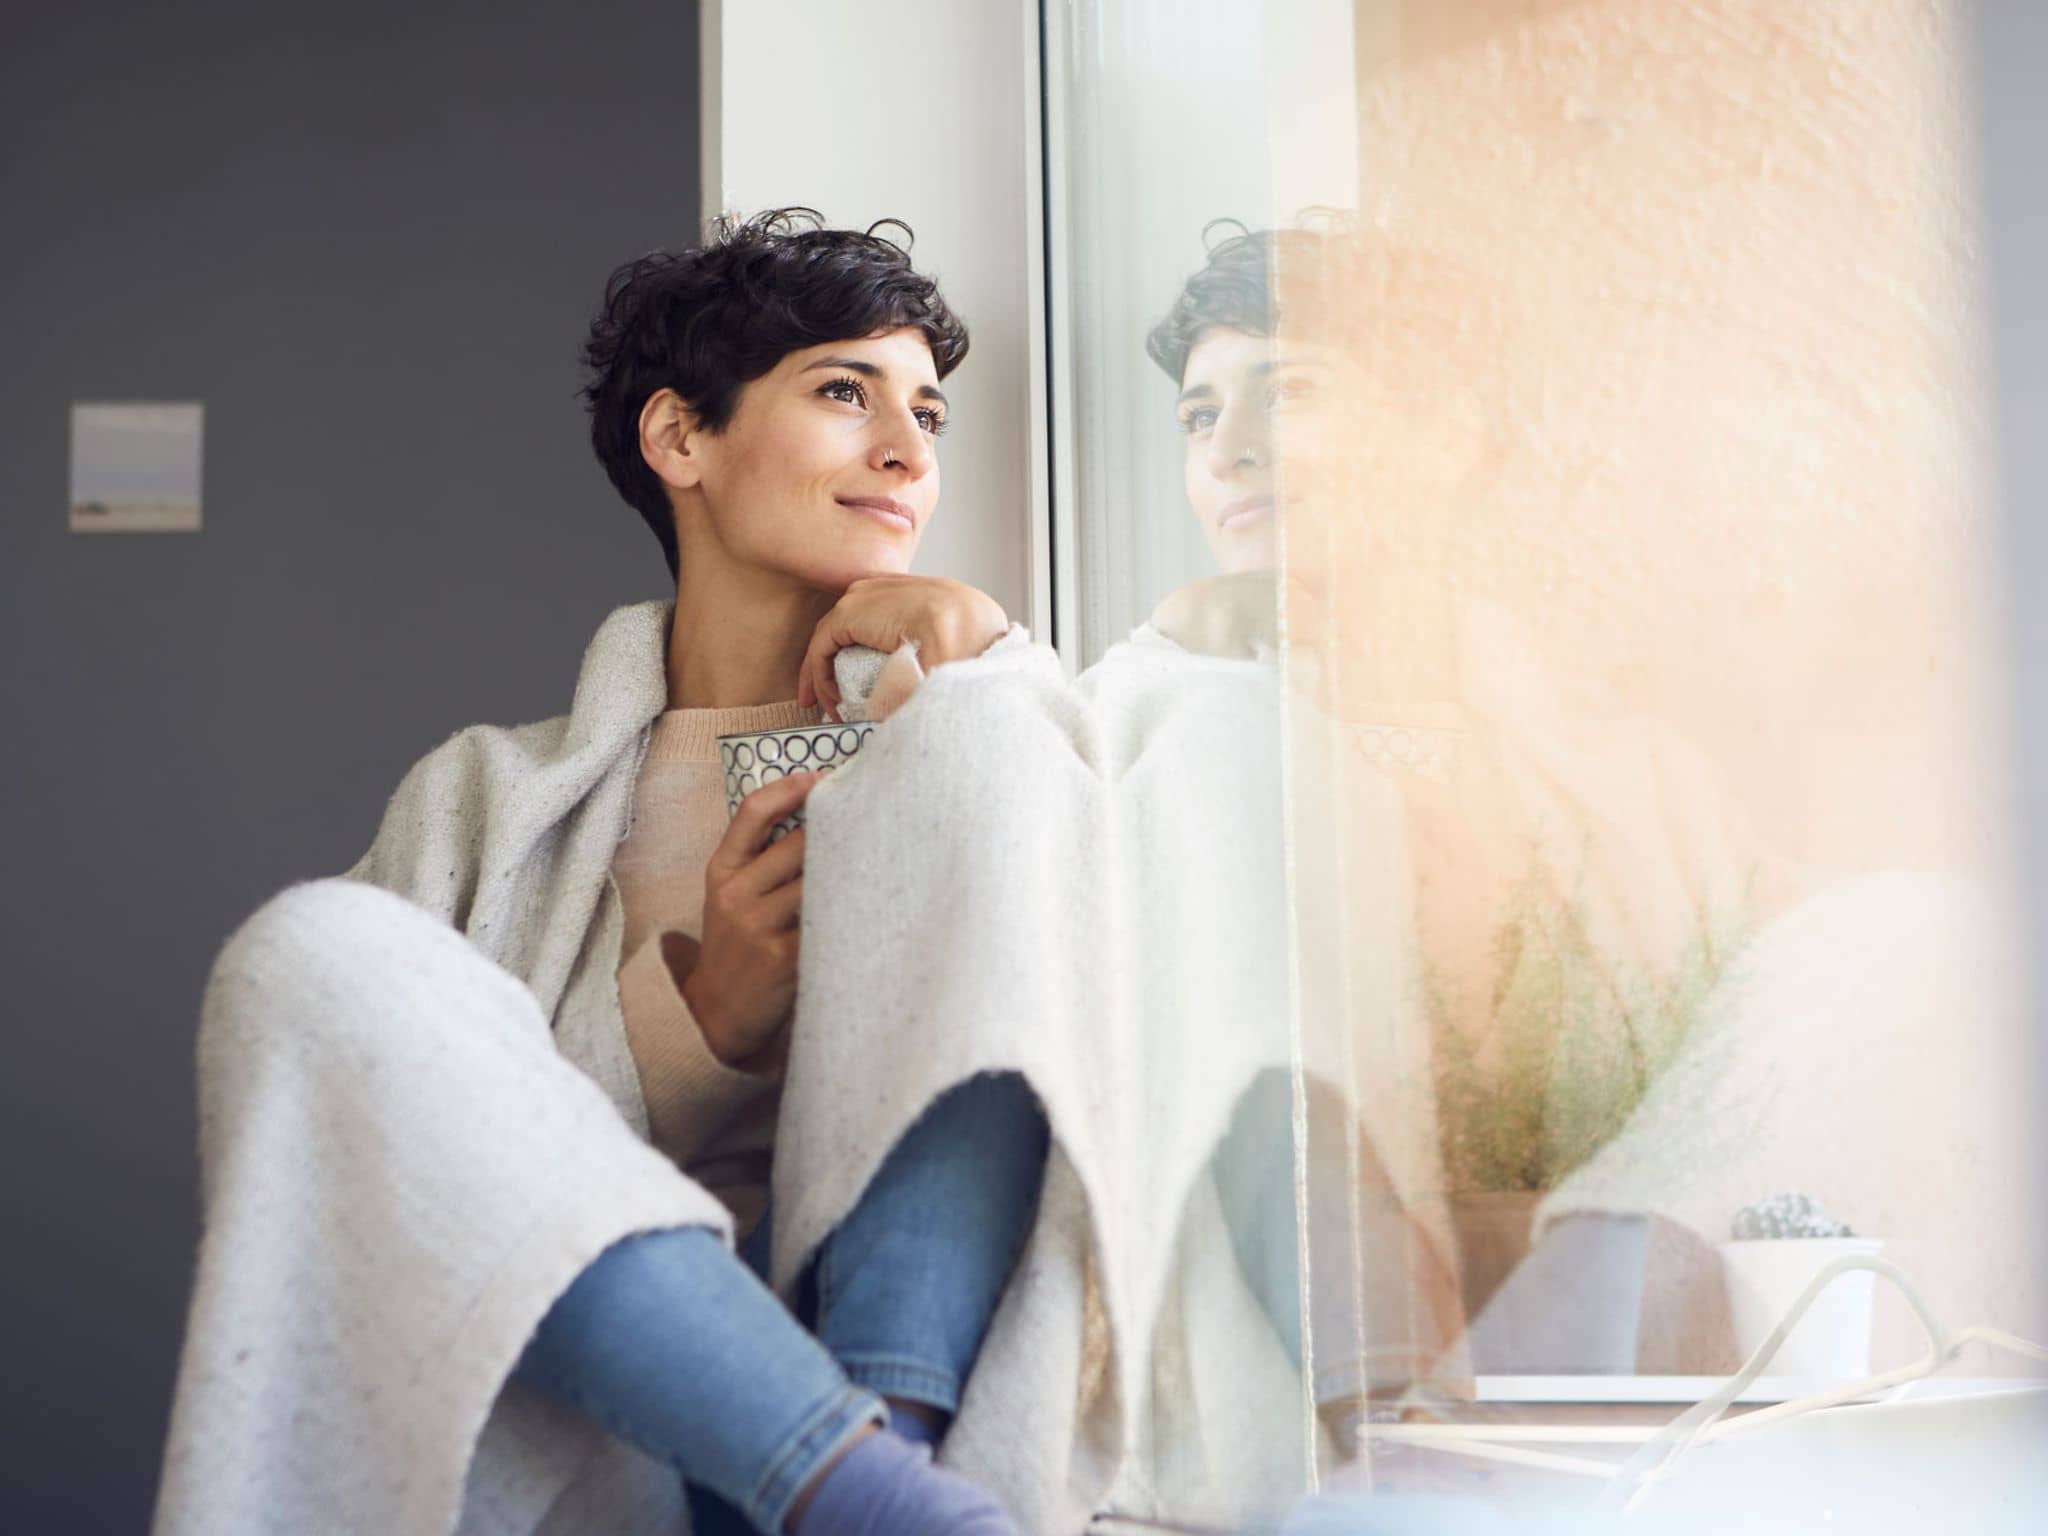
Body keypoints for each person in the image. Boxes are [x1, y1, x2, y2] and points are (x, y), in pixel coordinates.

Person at [154, 210, 1048, 1536]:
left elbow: (1110, 1008)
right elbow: (388, 1187)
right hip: (634, 1449)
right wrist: (697, 1031)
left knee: (1006, 768)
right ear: (681, 438)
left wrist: (988, 655)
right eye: (843, 392)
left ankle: (887, 1466)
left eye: (927, 413)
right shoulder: (477, 802)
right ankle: (857, 1492)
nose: (909, 451)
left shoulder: (974, 709)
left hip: (922, 1381)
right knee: (305, 950)